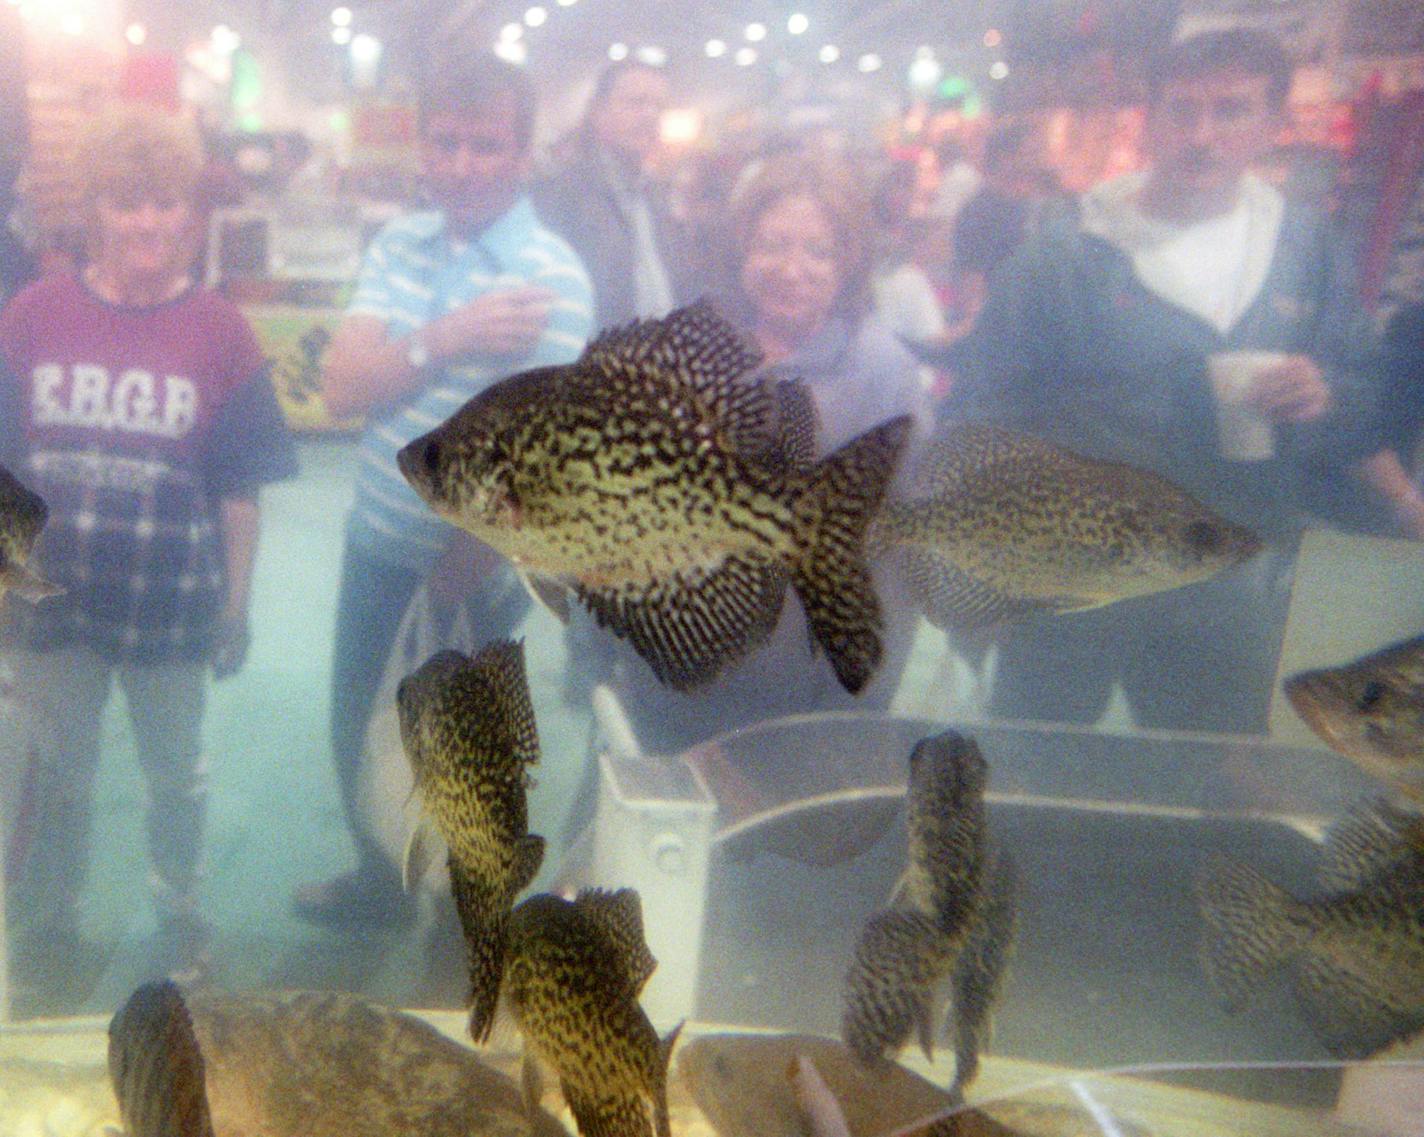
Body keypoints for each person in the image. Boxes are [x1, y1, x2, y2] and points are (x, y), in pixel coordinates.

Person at [950, 28, 1384, 733]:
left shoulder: (1305, 251)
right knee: (1032, 769)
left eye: (1232, 110)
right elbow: (980, 412)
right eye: (1183, 110)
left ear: (1273, 124)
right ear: (1150, 119)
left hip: (1227, 581)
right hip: (1075, 576)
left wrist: (1326, 395)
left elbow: (1364, 392)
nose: (1202, 135)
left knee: (1207, 776)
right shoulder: (1070, 248)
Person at [292, 50, 593, 929]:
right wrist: (452, 335)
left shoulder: (553, 278)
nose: (463, 166)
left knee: (466, 756)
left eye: (487, 146)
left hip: (472, 569)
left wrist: (451, 581)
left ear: (522, 154)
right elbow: (344, 390)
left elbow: (531, 470)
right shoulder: (400, 243)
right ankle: (380, 883)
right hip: (374, 544)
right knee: (358, 726)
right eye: (448, 144)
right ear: (424, 148)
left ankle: (465, 923)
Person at [0, 103, 298, 990]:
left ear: (192, 213)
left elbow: (239, 490)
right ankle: (50, 919)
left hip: (173, 603)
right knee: (59, 772)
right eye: (130, 204)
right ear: (95, 209)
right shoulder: (32, 316)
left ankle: (180, 908)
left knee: (177, 774)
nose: (151, 225)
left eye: (168, 204)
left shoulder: (220, 331)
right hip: (54, 601)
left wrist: (237, 607)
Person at [581, 150, 932, 759]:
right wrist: (593, 644)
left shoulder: (884, 376)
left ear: (849, 262)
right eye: (771, 244)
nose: (790, 269)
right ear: (742, 246)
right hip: (662, 678)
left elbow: (900, 554)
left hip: (793, 698)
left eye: (817, 251)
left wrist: (862, 695)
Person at [530, 60, 702, 329]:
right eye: (636, 103)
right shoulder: (561, 193)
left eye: (659, 106)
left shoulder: (656, 194)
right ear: (598, 111)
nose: (650, 115)